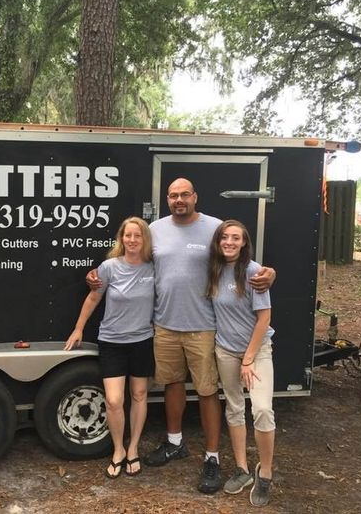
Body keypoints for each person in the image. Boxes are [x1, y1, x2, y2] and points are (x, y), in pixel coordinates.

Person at [88, 178, 275, 493]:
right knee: (172, 383)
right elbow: (131, 259)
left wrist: (269, 273)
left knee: (205, 392)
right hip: (164, 326)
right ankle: (175, 442)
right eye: (173, 195)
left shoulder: (215, 228)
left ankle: (212, 457)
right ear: (167, 199)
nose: (178, 200)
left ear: (194, 197)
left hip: (203, 327)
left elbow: (237, 257)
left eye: (184, 194)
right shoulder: (155, 230)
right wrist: (98, 278)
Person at [66, 217, 155, 478]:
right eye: (128, 235)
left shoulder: (153, 268)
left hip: (142, 341)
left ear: (144, 239)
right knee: (115, 400)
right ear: (121, 238)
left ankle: (133, 448)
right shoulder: (108, 267)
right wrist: (79, 327)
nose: (132, 240)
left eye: (137, 236)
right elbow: (94, 296)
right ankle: (118, 449)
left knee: (139, 395)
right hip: (112, 341)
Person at [206, 220, 275, 507]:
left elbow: (264, 318)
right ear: (218, 241)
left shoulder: (254, 273)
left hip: (256, 352)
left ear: (244, 242)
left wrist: (248, 358)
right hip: (225, 350)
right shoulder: (214, 270)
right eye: (225, 237)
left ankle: (266, 473)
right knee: (234, 408)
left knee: (262, 410)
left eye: (236, 238)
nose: (229, 242)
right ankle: (242, 469)